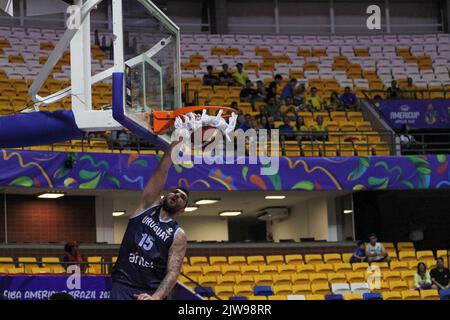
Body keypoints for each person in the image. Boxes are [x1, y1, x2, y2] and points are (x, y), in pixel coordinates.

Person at [111, 139, 188, 300]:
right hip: (122, 284)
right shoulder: (147, 206)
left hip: (150, 291)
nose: (177, 195)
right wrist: (170, 153)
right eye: (175, 192)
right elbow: (160, 173)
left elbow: (173, 272)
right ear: (165, 196)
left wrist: (156, 297)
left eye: (182, 197)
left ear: (182, 211)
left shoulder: (178, 234)